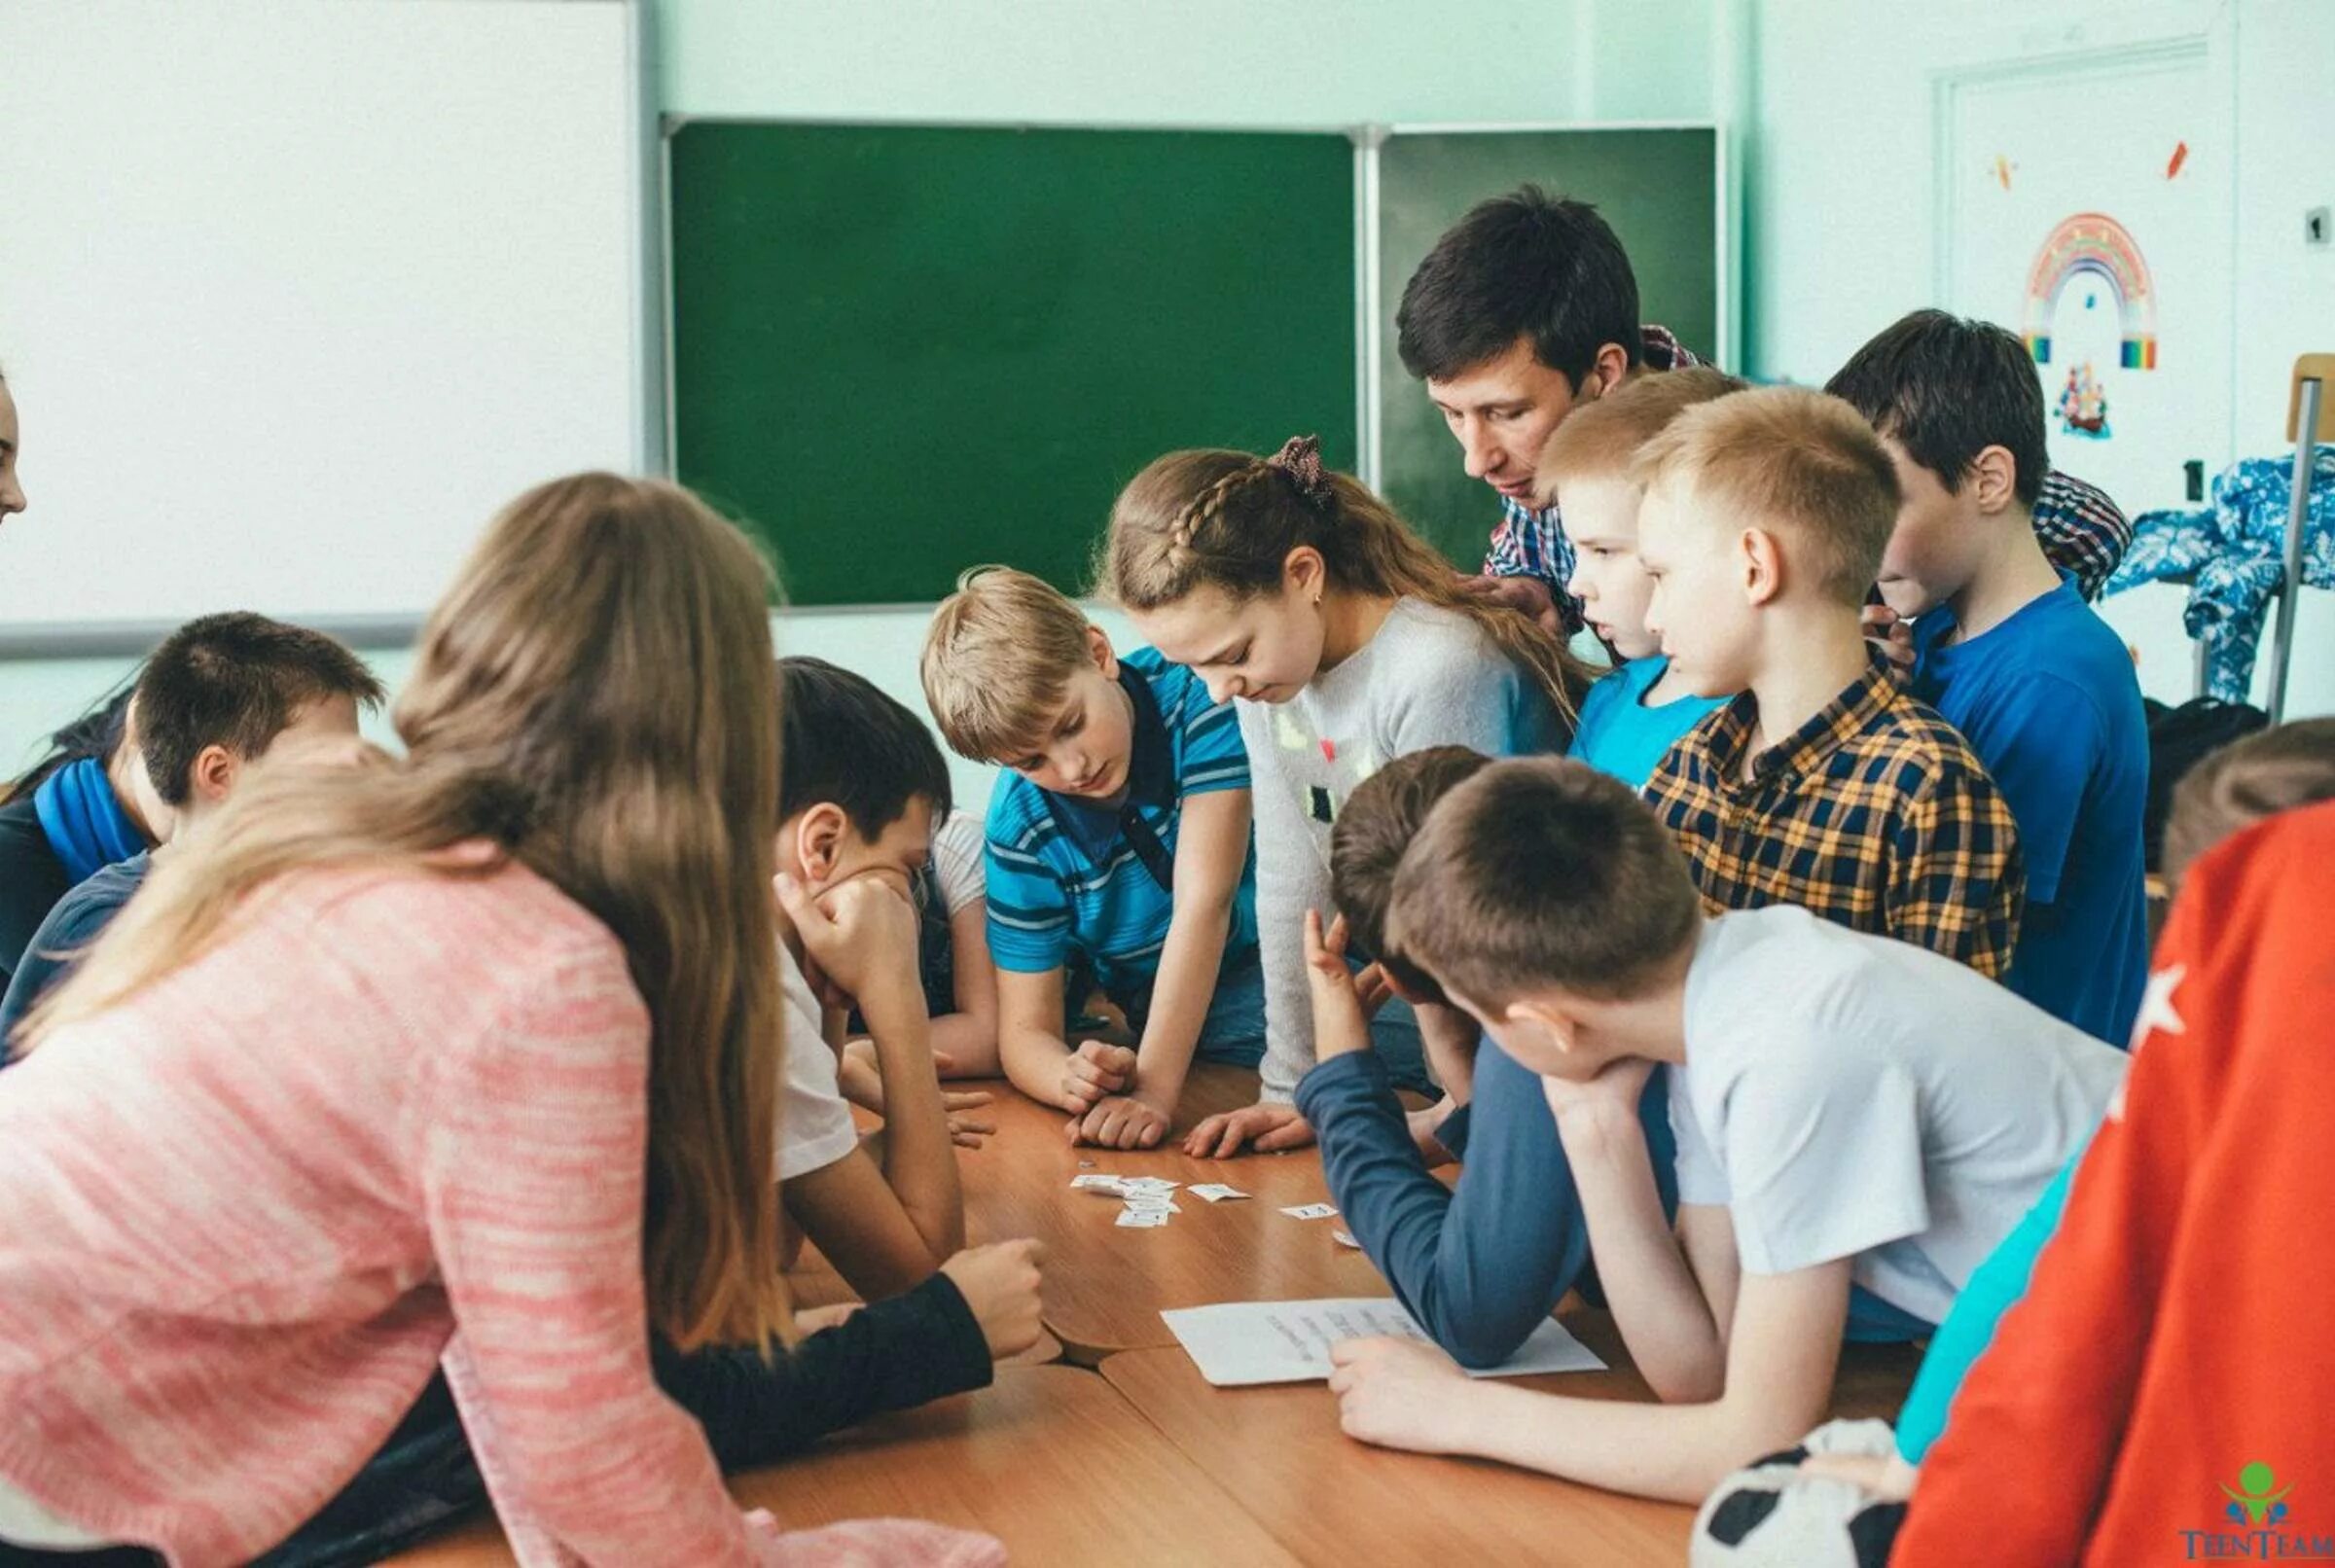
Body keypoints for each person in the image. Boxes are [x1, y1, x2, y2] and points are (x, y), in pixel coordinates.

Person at [0, 473, 1000, 1566]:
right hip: (52, 1443)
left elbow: (506, 1359)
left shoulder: (351, 826)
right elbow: (587, 1446)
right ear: (716, 731)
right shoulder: (546, 970)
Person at [1322, 758, 2122, 1505]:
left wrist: (1460, 1415)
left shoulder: (1789, 1050)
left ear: (1547, 1024)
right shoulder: (1718, 1004)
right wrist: (1597, 1130)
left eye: (1478, 1015)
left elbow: (1755, 1444)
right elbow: (1705, 1374)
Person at [1102, 435, 1586, 1158]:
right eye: (1192, 666)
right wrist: (1295, 1086)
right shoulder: (1262, 682)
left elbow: (1451, 919)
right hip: (1433, 972)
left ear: (1303, 574)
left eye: (1231, 654)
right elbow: (1293, 883)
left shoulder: (1436, 667)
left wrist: (1459, 1116)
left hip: (1545, 993)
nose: (1218, 688)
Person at [1393, 187, 2133, 634]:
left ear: (1603, 374)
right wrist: (1533, 591)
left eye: (1504, 413)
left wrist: (1929, 644)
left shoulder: (1771, 453)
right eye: (1452, 416)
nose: (1475, 456)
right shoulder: (1537, 470)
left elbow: (2090, 524)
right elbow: (1528, 571)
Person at [1829, 310, 2149, 1044]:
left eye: (1881, 503)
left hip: (2037, 1087)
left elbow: (1955, 911)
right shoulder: (1935, 630)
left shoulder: (2054, 679)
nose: (1854, 539)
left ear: (1990, 481)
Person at [1634, 386, 2026, 977]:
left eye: (1662, 576)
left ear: (1755, 568)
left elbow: (1940, 1054)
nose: (1651, 617)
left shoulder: (1928, 794)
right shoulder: (1684, 769)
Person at [923, 566, 1262, 1149]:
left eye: (1072, 725)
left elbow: (1204, 904)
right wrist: (1068, 1076)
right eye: (1031, 761)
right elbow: (1024, 1032)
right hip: (1172, 1004)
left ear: (1098, 651)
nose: (1072, 769)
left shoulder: (1198, 697)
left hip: (1273, 952)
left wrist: (1153, 1090)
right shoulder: (1021, 827)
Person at [0, 612, 382, 1048]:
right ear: (217, 774)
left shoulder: (251, 893)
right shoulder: (103, 920)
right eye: (322, 768)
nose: (345, 789)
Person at [1540, 367, 1742, 787]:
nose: (1577, 584)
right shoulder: (1609, 697)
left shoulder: (1760, 716)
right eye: (1576, 551)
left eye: (1603, 551)